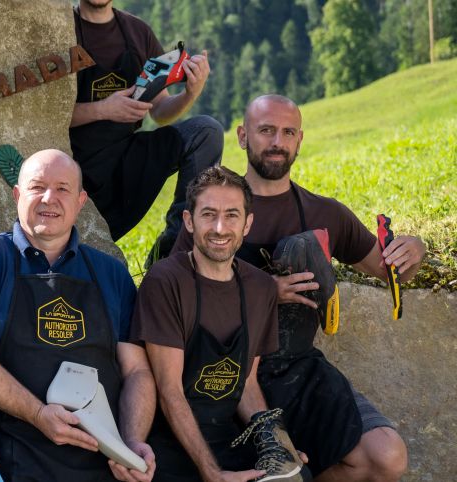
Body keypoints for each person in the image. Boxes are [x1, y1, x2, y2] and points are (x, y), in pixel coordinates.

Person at [173, 95, 426, 481]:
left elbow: (389, 269)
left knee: (385, 456)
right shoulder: (215, 210)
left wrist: (414, 250)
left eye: (288, 132)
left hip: (297, 367)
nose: (277, 141)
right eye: (266, 130)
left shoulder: (325, 213)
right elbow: (174, 293)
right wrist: (261, 292)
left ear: (300, 140)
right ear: (242, 136)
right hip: (223, 375)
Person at [0, 149, 156, 482]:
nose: (49, 198)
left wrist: (129, 442)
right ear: (17, 195)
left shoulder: (110, 273)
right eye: (37, 187)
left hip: (102, 465)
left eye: (62, 188)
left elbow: (138, 371)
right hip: (13, 459)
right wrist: (38, 414)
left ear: (81, 200)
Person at [133, 166, 306, 481]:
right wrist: (211, 472)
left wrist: (275, 440)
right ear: (189, 220)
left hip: (229, 435)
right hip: (171, 443)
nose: (219, 228)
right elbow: (169, 391)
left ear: (247, 224)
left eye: (231, 216)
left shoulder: (260, 288)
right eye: (208, 214)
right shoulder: (166, 280)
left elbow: (246, 384)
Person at [69, 0, 223, 268]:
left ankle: (174, 249)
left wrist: (191, 92)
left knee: (205, 132)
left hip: (126, 158)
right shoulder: (62, 29)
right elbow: (44, 116)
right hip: (73, 164)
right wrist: (103, 109)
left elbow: (160, 110)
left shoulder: (137, 32)